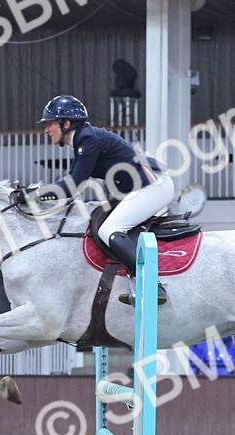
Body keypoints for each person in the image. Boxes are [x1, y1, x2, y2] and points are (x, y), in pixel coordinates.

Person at [31, 94, 175, 306]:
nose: (46, 129)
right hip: (138, 188)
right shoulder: (83, 139)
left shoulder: (87, 139)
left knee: (109, 230)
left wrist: (35, 194)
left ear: (66, 123)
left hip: (154, 186)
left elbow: (72, 186)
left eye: (50, 123)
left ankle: (153, 286)